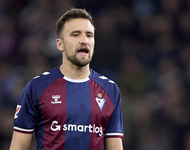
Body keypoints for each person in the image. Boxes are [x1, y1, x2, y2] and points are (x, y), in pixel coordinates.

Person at [9, 8, 124, 150]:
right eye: (75, 35)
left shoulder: (110, 89)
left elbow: (115, 146)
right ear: (60, 44)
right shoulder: (37, 87)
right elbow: (19, 146)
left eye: (89, 35)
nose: (84, 40)